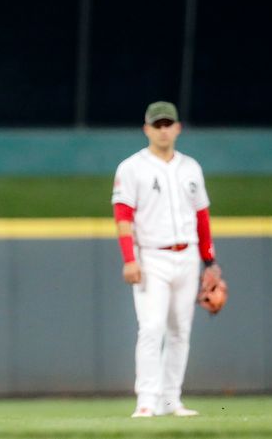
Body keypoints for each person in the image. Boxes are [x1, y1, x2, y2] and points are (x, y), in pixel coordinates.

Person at [111, 101, 220, 418]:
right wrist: (130, 259)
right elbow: (122, 216)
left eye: (167, 124)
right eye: (156, 125)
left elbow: (202, 216)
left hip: (187, 255)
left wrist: (209, 261)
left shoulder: (191, 168)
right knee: (151, 327)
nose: (162, 130)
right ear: (146, 129)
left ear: (177, 128)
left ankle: (171, 400)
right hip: (152, 258)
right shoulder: (132, 167)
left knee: (180, 331)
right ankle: (146, 400)